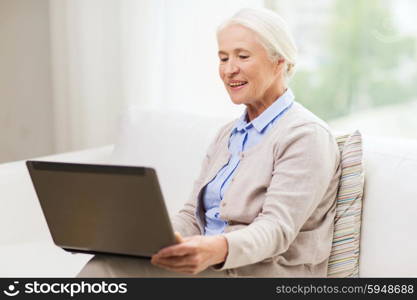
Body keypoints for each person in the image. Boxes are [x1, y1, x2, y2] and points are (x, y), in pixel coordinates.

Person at [78, 7, 341, 278]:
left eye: (242, 56)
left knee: (106, 270)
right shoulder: (227, 135)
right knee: (108, 260)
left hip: (258, 273)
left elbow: (276, 229)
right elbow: (192, 216)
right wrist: (151, 239)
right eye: (223, 58)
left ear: (279, 62)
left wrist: (216, 249)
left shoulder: (305, 135)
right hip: (210, 267)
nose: (229, 70)